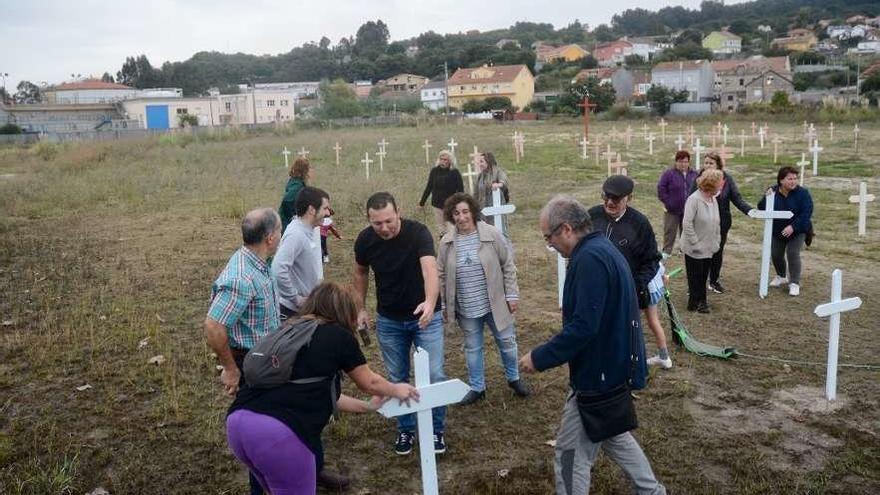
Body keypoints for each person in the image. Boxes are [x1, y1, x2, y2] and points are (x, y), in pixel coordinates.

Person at [521, 195, 665, 495]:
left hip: (598, 375)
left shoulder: (589, 260)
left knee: (569, 453)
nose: (549, 245)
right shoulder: (602, 249)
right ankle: (652, 492)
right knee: (612, 432)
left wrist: (540, 357)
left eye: (549, 237)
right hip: (610, 366)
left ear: (566, 229)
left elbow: (584, 326)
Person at [226, 282, 420, 495]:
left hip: (238, 424)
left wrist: (368, 407)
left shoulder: (291, 330)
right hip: (278, 435)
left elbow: (329, 397)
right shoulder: (338, 335)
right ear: (345, 312)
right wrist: (396, 389)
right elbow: (369, 382)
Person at [352, 192, 448, 456]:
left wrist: (430, 302)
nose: (384, 228)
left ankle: (435, 429)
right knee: (396, 377)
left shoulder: (418, 233)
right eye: (377, 223)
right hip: (389, 320)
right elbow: (360, 273)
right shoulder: (365, 240)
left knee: (435, 374)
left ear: (399, 212)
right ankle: (406, 428)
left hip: (425, 318)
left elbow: (430, 269)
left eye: (388, 221)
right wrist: (360, 309)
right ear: (369, 220)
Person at [204, 207, 282, 495]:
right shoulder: (242, 277)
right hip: (251, 364)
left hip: (267, 358)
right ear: (271, 238)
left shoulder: (259, 263)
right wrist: (230, 368)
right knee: (261, 433)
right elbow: (214, 325)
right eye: (281, 230)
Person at [437, 192, 529, 405]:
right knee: (472, 347)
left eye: (465, 212)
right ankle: (477, 387)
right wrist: (443, 305)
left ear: (473, 211)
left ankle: (514, 378)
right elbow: (441, 274)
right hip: (467, 306)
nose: (461, 217)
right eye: (456, 213)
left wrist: (512, 294)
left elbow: (507, 264)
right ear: (451, 216)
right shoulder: (447, 242)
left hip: (495, 302)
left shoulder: (492, 234)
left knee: (506, 342)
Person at [588, 176, 672, 369]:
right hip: (597, 286)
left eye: (616, 198)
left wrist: (635, 286)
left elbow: (651, 259)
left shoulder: (639, 223)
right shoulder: (592, 216)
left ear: (629, 198)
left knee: (625, 332)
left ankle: (628, 371)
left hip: (627, 290)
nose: (609, 202)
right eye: (606, 196)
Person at [691, 152, 754, 294]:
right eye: (706, 162)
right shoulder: (698, 178)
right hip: (702, 223)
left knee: (717, 252)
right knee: (701, 252)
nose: (707, 165)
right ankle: (697, 283)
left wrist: (749, 211)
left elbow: (737, 198)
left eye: (711, 163)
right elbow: (690, 199)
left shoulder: (727, 179)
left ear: (718, 165)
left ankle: (714, 281)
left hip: (721, 223)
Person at [272, 187, 330, 320]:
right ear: (311, 210)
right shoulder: (296, 234)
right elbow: (277, 269)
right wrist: (295, 299)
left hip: (305, 310)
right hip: (292, 313)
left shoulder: (309, 230)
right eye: (325, 208)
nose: (328, 213)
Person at [758, 166, 814, 297]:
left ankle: (794, 283)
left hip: (798, 229)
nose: (793, 181)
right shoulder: (772, 191)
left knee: (792, 253)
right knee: (776, 254)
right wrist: (766, 198)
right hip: (778, 230)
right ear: (781, 180)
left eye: (795, 178)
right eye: (790, 179)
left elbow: (807, 213)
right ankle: (781, 276)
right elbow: (761, 208)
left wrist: (793, 227)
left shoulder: (803, 193)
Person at [681, 169, 723, 314]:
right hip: (694, 247)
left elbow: (717, 222)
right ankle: (696, 302)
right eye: (719, 182)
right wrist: (695, 243)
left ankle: (701, 301)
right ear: (712, 184)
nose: (722, 184)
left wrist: (717, 241)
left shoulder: (713, 200)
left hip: (709, 246)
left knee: (704, 274)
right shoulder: (694, 200)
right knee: (695, 276)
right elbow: (686, 224)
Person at [657, 150, 698, 257]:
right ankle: (667, 251)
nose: (683, 164)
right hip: (672, 209)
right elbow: (661, 188)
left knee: (686, 229)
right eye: (680, 161)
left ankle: (684, 249)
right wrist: (668, 202)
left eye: (685, 161)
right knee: (670, 230)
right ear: (676, 162)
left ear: (689, 162)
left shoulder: (694, 174)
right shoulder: (668, 174)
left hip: (689, 209)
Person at [419, 150, 464, 236]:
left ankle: (454, 248)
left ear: (450, 161)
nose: (442, 161)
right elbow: (429, 187)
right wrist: (422, 202)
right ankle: (444, 248)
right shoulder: (434, 171)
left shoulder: (455, 172)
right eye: (441, 159)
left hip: (451, 206)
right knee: (442, 230)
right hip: (437, 205)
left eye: (445, 160)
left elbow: (461, 190)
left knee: (451, 229)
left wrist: (460, 204)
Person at [475, 151, 511, 232]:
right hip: (483, 210)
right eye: (479, 161)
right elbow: (476, 193)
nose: (480, 164)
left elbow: (504, 181)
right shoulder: (480, 176)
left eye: (482, 161)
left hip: (495, 208)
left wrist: (498, 185)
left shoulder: (498, 172)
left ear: (488, 161)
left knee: (498, 231)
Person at [278, 157, 311, 233]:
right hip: (286, 223)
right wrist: (293, 217)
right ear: (304, 171)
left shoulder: (296, 182)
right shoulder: (297, 185)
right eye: (308, 168)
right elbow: (286, 200)